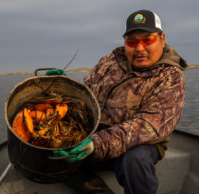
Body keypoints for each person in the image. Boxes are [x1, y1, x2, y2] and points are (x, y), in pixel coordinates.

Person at [50, 9, 188, 194]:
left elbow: (147, 127)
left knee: (134, 160)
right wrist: (65, 87)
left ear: (162, 39)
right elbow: (86, 93)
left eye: (147, 40)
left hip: (138, 143)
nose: (139, 48)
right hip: (95, 135)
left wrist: (96, 144)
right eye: (131, 41)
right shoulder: (109, 62)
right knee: (53, 150)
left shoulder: (170, 76)